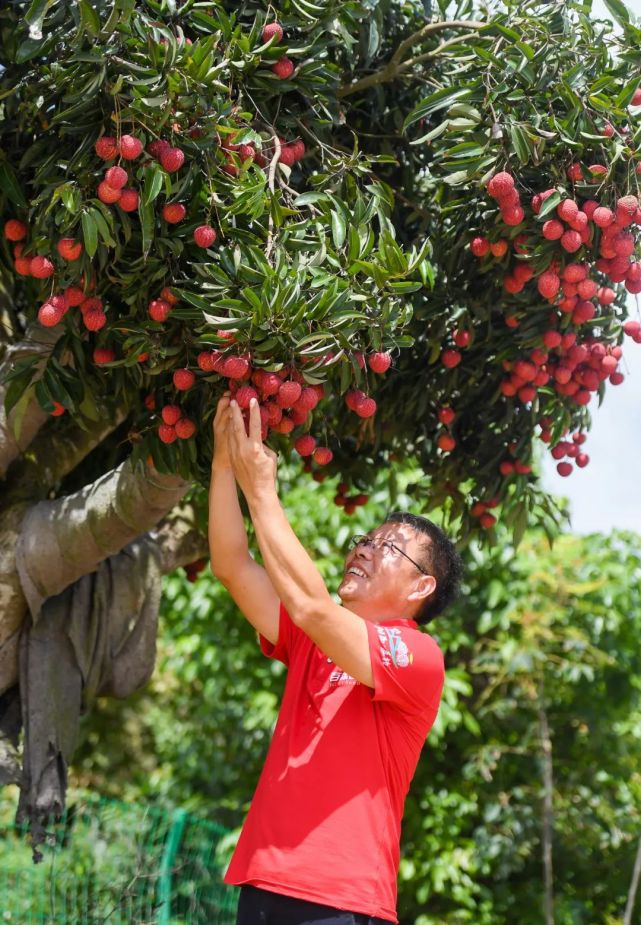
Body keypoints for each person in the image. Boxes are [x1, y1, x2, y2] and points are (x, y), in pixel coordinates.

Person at [209, 392, 463, 925]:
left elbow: (311, 606)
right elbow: (232, 564)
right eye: (365, 539)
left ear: (422, 584)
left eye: (388, 547)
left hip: (340, 899)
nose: (365, 549)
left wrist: (263, 494)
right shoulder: (311, 637)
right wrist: (223, 464)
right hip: (262, 881)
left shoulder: (418, 656)